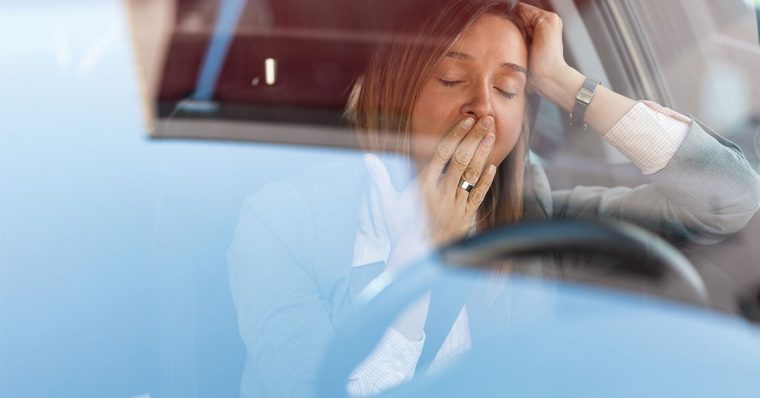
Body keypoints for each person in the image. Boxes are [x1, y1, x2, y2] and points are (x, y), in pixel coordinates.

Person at [227, 0, 760, 396]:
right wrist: (414, 266)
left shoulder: (530, 211)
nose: (483, 107)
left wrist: (565, 83)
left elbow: (728, 198)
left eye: (509, 90)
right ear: (395, 90)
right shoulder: (283, 222)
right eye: (452, 78)